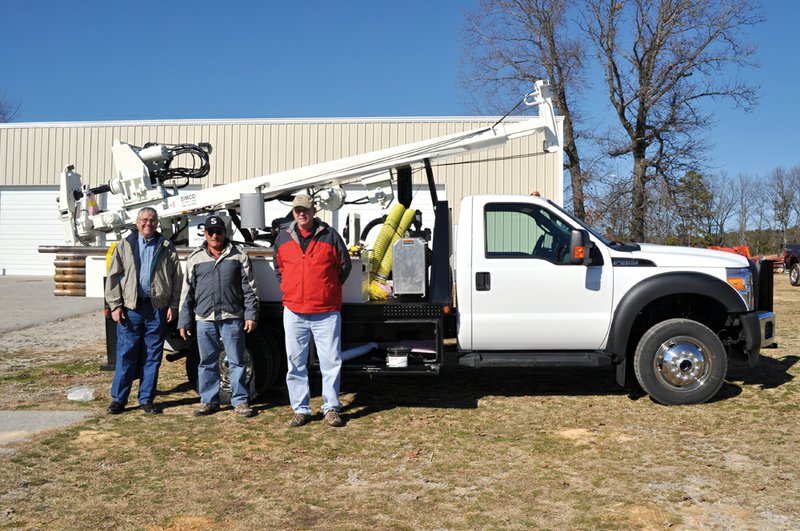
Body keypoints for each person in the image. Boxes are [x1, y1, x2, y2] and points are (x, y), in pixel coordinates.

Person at [273, 194, 352, 427]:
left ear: (314, 210)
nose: (301, 213)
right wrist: (291, 287)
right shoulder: (282, 238)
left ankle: (331, 408)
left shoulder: (330, 236)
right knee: (295, 363)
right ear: (293, 212)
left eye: (305, 209)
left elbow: (344, 267)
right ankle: (301, 409)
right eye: (297, 210)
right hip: (294, 311)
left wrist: (327, 289)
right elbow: (279, 268)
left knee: (331, 362)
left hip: (326, 312)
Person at [178, 215, 259, 418]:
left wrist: (251, 314)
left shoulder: (238, 255)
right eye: (211, 232)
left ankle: (240, 401)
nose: (215, 235)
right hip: (204, 318)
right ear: (205, 234)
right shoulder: (195, 258)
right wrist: (184, 320)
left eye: (219, 232)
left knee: (237, 361)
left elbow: (249, 289)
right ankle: (209, 401)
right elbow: (187, 292)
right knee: (207, 361)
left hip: (232, 316)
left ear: (225, 233)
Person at [105, 207, 182, 415]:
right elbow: (113, 276)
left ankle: (146, 399)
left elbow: (177, 278)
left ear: (158, 223)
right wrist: (115, 305)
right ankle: (119, 399)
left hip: (157, 308)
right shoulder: (125, 245)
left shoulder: (166, 246)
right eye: (144, 220)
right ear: (137, 222)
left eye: (153, 220)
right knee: (126, 353)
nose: (148, 224)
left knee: (152, 355)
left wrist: (174, 306)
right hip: (131, 309)